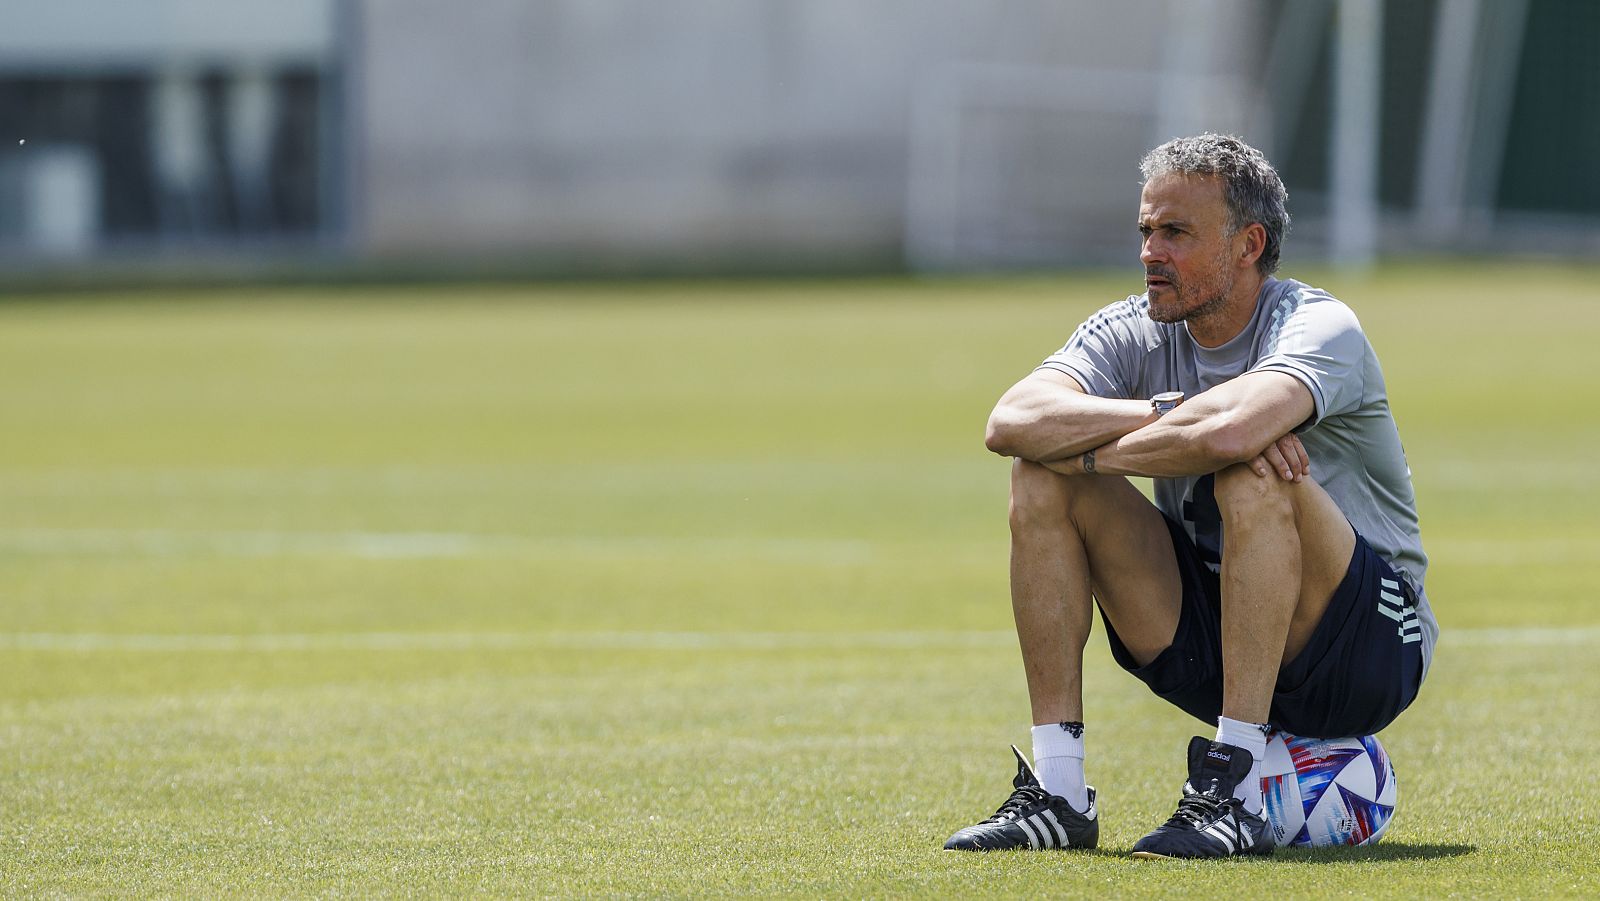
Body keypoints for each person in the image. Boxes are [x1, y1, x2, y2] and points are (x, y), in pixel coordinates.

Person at [943, 134, 1435, 859]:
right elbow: (1010, 422)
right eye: (1146, 230)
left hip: (1367, 647)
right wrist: (1165, 418)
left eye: (1175, 232)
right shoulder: (1132, 329)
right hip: (1222, 634)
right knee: (1039, 471)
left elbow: (1235, 432)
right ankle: (1059, 792)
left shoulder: (1320, 326)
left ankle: (1232, 791)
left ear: (1248, 244)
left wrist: (1099, 444)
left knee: (1255, 467)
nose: (1150, 251)